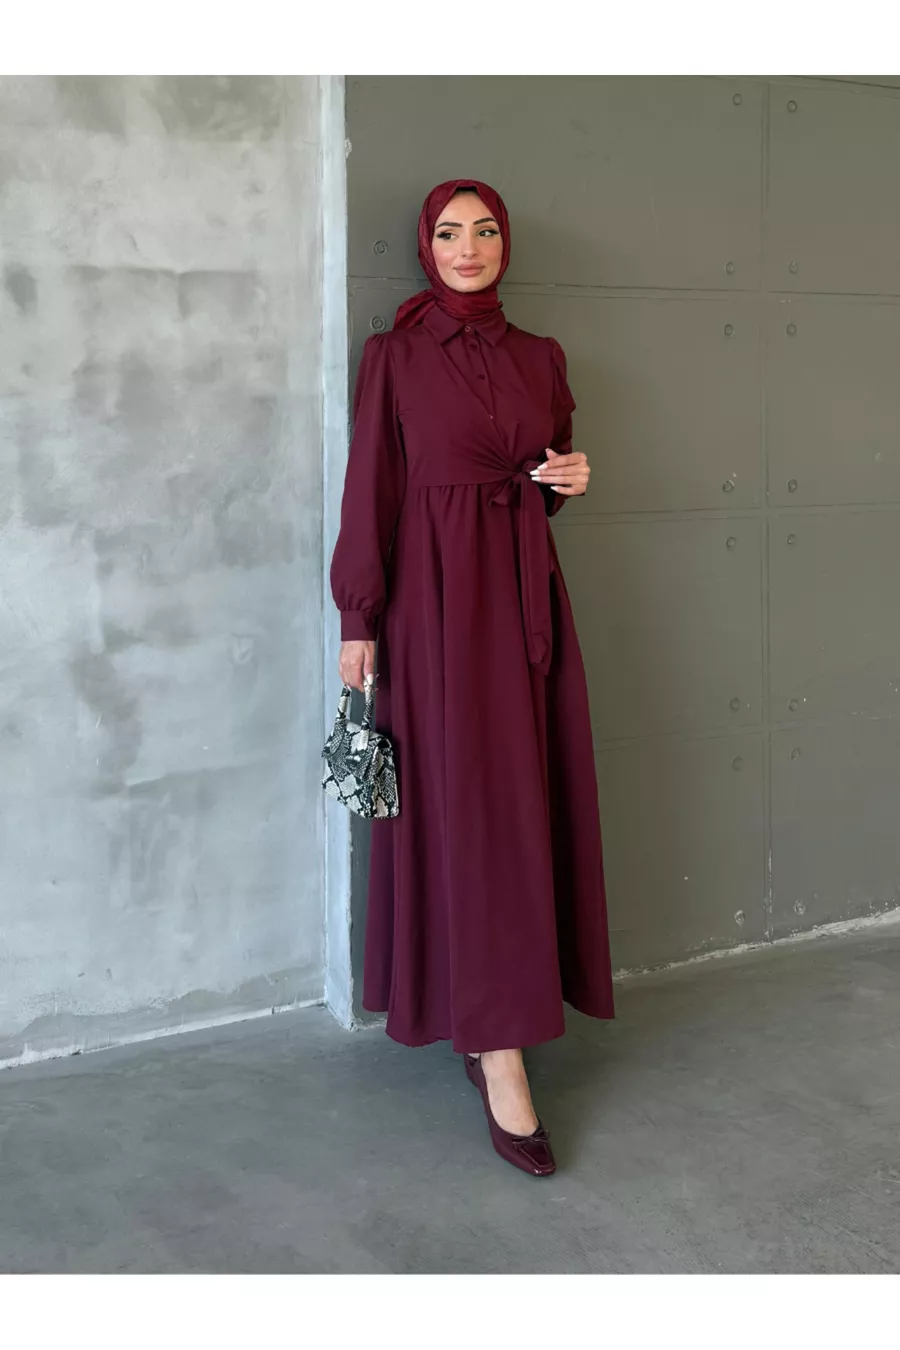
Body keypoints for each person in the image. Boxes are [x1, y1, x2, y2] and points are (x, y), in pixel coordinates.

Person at [330, 178, 614, 1177]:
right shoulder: (396, 356)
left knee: (522, 809)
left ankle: (501, 1021)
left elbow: (548, 467)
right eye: (449, 231)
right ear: (426, 245)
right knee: (467, 813)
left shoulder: (542, 356)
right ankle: (498, 1051)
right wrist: (357, 617)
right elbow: (371, 486)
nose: (468, 246)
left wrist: (567, 479)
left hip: (526, 600)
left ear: (505, 244)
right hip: (435, 608)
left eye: (485, 229)